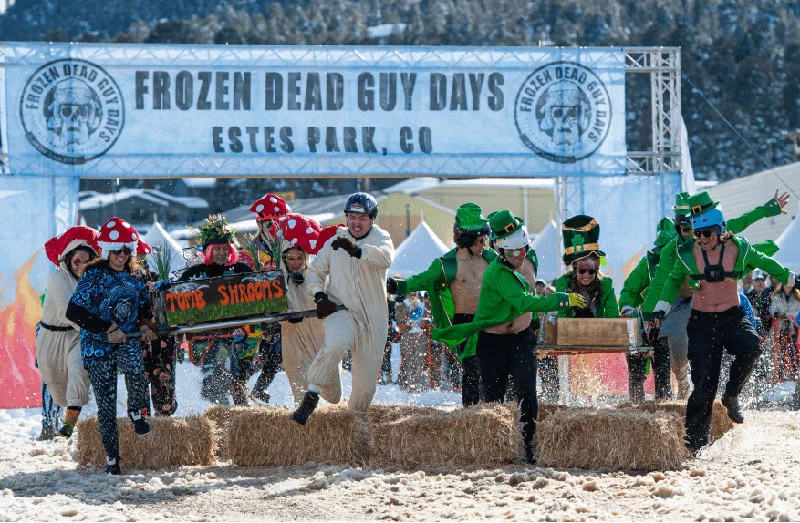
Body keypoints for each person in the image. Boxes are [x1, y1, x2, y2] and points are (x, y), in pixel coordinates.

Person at [432, 210, 586, 464]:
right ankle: (496, 447)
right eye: (512, 252)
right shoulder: (496, 273)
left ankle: (528, 445)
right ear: (500, 250)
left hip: (521, 338)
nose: (518, 256)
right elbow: (523, 301)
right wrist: (560, 298)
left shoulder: (529, 256)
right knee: (494, 397)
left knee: (527, 390)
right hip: (492, 342)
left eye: (522, 250)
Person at [653, 192, 797, 455]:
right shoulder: (686, 253)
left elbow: (765, 261)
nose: (702, 239)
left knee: (751, 346)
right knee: (704, 385)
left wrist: (792, 279)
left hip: (733, 316)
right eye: (697, 234)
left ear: (720, 230)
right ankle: (695, 446)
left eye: (707, 233)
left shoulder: (739, 248)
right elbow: (673, 279)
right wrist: (660, 308)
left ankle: (731, 394)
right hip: (702, 322)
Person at [66, 217, 160, 475]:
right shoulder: (93, 275)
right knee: (106, 405)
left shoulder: (136, 275)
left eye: (126, 251)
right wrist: (107, 329)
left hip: (126, 339)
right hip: (97, 343)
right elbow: (73, 311)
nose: (121, 255)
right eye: (117, 250)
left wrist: (147, 326)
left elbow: (143, 307)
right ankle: (112, 458)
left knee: (136, 370)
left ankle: (135, 412)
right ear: (108, 249)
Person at [291, 192, 394, 424]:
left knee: (365, 387)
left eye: (363, 218)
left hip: (373, 318)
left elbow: (385, 259)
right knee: (336, 343)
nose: (356, 223)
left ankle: (354, 422)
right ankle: (311, 396)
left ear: (372, 219)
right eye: (352, 217)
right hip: (342, 310)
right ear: (346, 217)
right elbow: (315, 273)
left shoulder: (381, 237)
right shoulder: (334, 242)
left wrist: (357, 251)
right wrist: (319, 296)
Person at [388, 203, 498, 405]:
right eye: (480, 240)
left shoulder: (491, 259)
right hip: (464, 323)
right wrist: (397, 286)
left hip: (490, 320)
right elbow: (422, 279)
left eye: (485, 239)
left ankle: (495, 409)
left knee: (494, 369)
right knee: (472, 368)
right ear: (467, 238)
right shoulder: (446, 264)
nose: (484, 244)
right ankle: (471, 414)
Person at [179, 215, 253, 405]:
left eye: (225, 249)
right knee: (215, 382)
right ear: (209, 251)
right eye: (217, 249)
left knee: (238, 381)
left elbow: (256, 295)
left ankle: (241, 417)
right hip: (208, 337)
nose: (221, 253)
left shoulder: (242, 269)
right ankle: (221, 415)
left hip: (238, 335)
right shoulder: (194, 273)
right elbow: (179, 300)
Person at [266, 212, 338, 406]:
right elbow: (271, 310)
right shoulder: (276, 282)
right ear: (284, 258)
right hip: (294, 343)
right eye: (290, 258)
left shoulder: (317, 276)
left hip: (320, 340)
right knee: (301, 398)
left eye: (299, 258)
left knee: (334, 396)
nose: (295, 262)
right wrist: (285, 316)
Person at [36, 226, 100, 438]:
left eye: (86, 261)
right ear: (69, 259)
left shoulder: (91, 281)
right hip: (51, 336)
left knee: (78, 367)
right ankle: (50, 420)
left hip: (76, 335)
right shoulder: (58, 279)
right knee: (53, 385)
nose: (81, 266)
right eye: (77, 261)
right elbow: (67, 312)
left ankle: (70, 420)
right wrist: (99, 329)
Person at [618, 217, 677, 400]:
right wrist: (627, 307)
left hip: (674, 323)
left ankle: (665, 407)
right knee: (636, 370)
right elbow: (629, 289)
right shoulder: (649, 263)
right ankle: (636, 409)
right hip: (647, 324)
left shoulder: (688, 261)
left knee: (663, 374)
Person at [247, 194, 292, 404]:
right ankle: (243, 391)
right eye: (268, 224)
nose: (273, 228)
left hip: (286, 306)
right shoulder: (251, 250)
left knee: (277, 352)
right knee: (255, 353)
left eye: (278, 223)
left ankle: (260, 387)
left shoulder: (292, 245)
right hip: (258, 308)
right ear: (259, 224)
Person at [769, 281, 800, 383]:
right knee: (780, 350)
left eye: (789, 286)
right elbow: (772, 309)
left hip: (792, 328)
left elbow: (798, 312)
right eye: (786, 286)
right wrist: (777, 314)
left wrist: (787, 315)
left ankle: (794, 373)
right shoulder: (777, 296)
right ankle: (780, 374)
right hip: (779, 327)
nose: (787, 288)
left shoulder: (796, 298)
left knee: (792, 350)